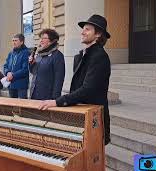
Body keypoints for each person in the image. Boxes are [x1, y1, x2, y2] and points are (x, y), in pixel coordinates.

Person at [38, 14, 112, 145]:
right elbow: (76, 87)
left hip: (93, 117)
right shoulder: (80, 56)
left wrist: (58, 101)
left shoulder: (100, 56)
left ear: (98, 34)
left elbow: (88, 89)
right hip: (80, 114)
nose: (83, 32)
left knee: (92, 158)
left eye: (87, 29)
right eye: (83, 29)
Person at [29, 29, 65, 100]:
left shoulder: (57, 55)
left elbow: (59, 79)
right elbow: (33, 72)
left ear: (51, 40)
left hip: (47, 97)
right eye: (40, 38)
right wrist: (31, 63)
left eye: (44, 38)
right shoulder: (39, 54)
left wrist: (54, 99)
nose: (41, 41)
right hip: (34, 94)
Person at [3, 34, 30, 99]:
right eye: (13, 40)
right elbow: (5, 66)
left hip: (21, 84)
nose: (13, 42)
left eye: (16, 40)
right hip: (11, 84)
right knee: (12, 105)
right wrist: (7, 72)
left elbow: (25, 69)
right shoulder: (11, 53)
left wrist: (12, 75)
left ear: (21, 42)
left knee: (22, 106)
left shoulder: (26, 53)